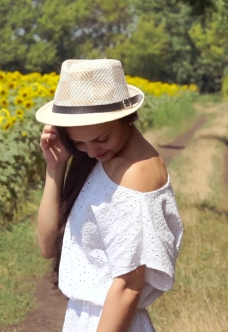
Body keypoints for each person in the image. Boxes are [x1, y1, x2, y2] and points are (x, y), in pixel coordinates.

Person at [35, 59, 183, 332]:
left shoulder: (135, 177)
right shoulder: (101, 161)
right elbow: (47, 247)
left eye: (101, 139)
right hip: (87, 320)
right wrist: (55, 168)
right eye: (79, 142)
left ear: (127, 118)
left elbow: (128, 286)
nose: (91, 151)